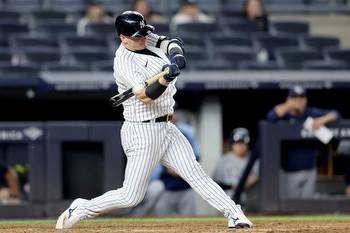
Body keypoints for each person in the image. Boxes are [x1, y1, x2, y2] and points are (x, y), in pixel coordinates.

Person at [56, 11, 252, 229]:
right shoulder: (124, 62)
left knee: (196, 174)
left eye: (143, 34)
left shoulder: (143, 38)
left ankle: (235, 213)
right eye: (137, 36)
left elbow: (171, 42)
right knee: (131, 196)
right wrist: (166, 78)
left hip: (167, 127)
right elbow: (146, 95)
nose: (143, 38)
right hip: (141, 131)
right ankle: (83, 207)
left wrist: (176, 58)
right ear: (123, 38)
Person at [266, 85, 340, 199]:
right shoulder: (284, 115)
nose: (299, 102)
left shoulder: (311, 113)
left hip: (310, 168)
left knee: (308, 205)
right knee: (290, 205)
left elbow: (336, 114)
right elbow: (270, 117)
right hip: (289, 171)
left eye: (302, 98)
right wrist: (289, 105)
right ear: (289, 99)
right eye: (295, 98)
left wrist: (321, 120)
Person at [153, 113, 201, 216]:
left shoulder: (187, 132)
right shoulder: (157, 133)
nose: (171, 115)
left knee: (189, 223)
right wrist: (168, 167)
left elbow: (197, 156)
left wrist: (182, 168)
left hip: (186, 187)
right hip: (165, 188)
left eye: (173, 112)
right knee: (162, 223)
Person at [213, 128, 259, 200]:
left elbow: (254, 178)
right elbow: (216, 183)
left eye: (243, 143)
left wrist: (241, 185)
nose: (240, 146)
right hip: (227, 202)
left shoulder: (254, 160)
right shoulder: (224, 160)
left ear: (247, 144)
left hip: (249, 204)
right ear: (232, 144)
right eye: (237, 143)